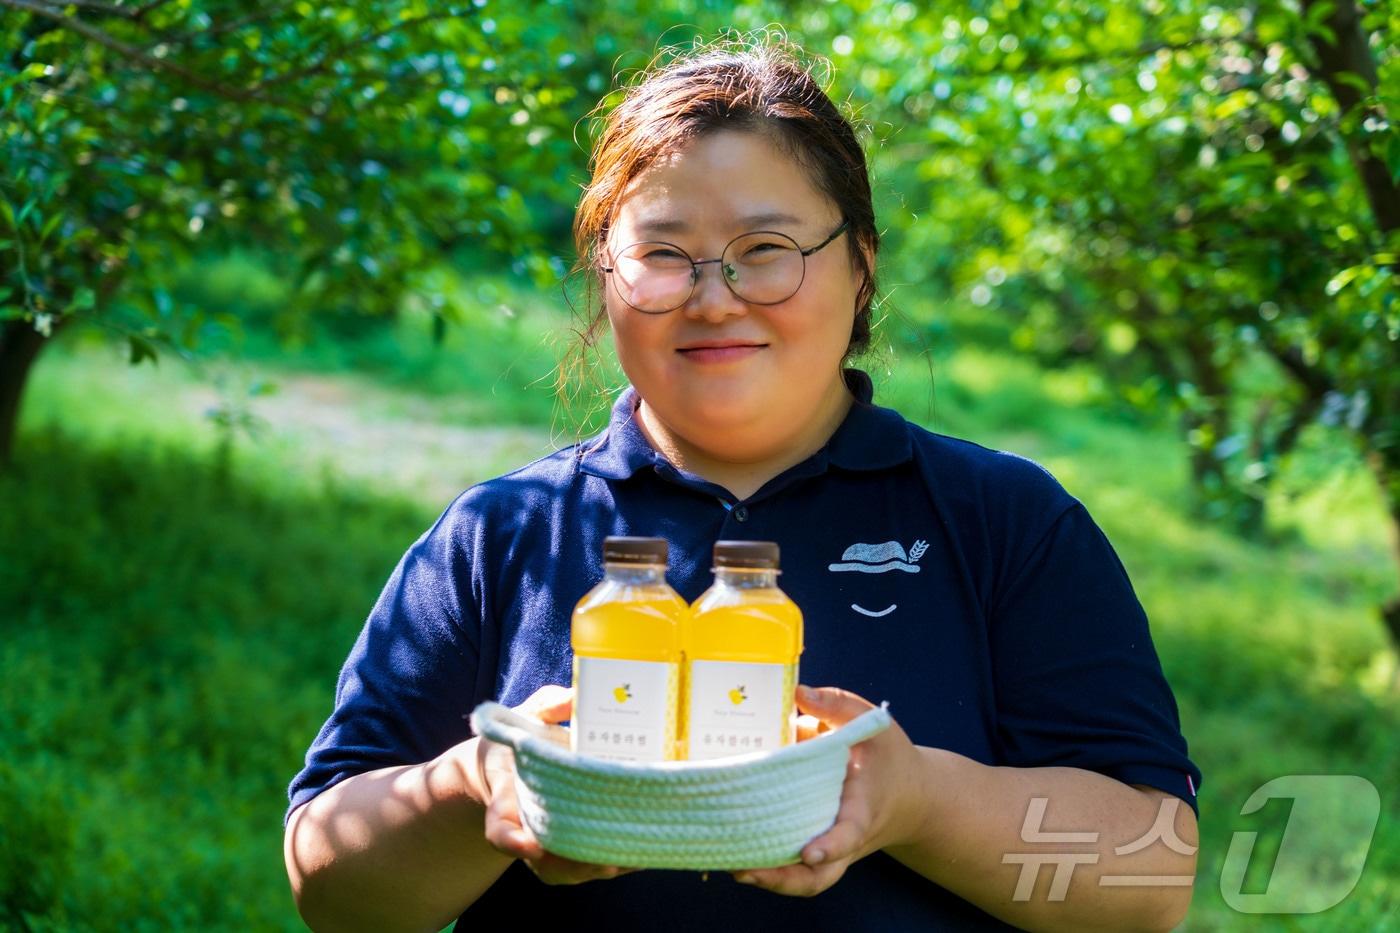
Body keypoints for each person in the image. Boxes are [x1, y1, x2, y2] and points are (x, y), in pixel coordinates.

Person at [284, 37, 1202, 932]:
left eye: (766, 248)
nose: (714, 297)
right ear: (607, 277)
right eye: (665, 253)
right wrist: (476, 783)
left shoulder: (1006, 522)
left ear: (862, 261)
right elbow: (331, 886)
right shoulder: (501, 534)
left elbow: (1152, 875)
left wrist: (918, 800)